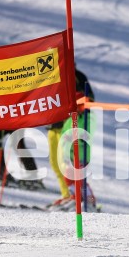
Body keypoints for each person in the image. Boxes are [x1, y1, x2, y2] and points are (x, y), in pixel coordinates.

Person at [48, 68, 95, 210]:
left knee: (78, 178)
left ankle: (88, 200)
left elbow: (84, 132)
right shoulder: (70, 118)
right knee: (67, 174)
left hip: (79, 153)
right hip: (69, 151)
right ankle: (73, 197)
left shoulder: (84, 118)